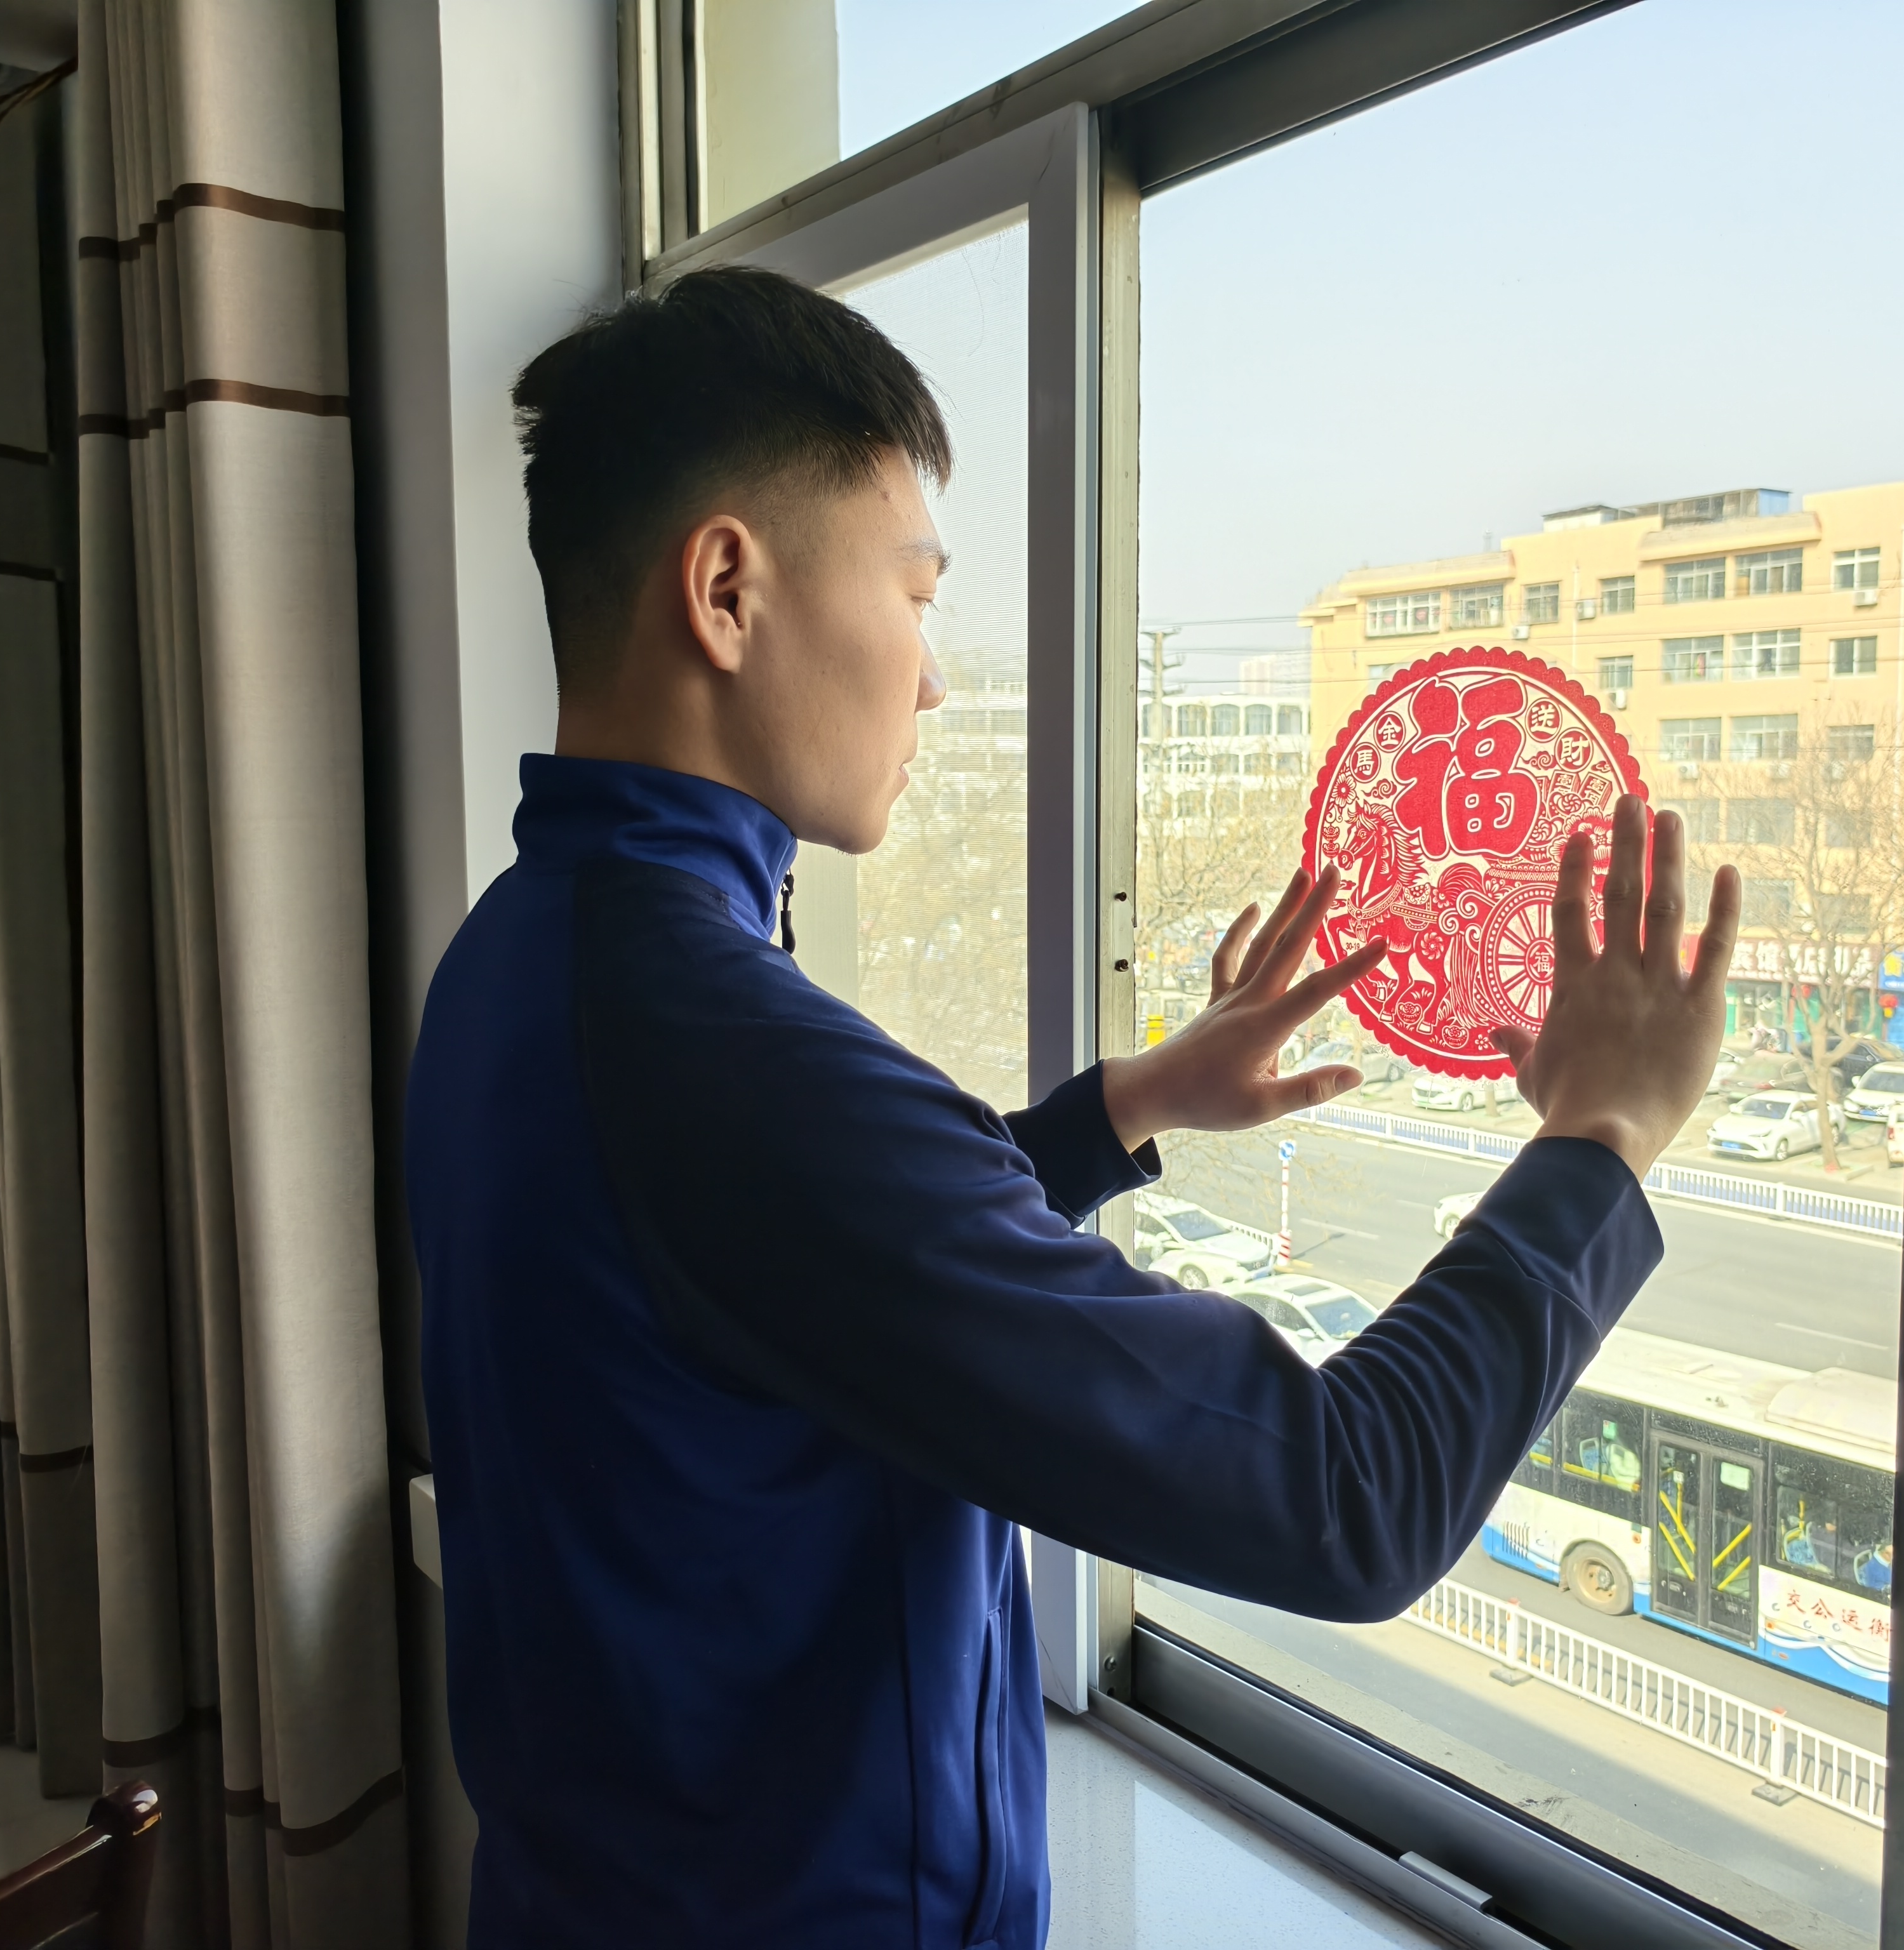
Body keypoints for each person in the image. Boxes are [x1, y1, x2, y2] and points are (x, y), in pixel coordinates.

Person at [404, 265, 1740, 1949]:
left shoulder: (518, 959)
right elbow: (1347, 1496)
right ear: (727, 590)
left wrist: (1128, 1107)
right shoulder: (718, 1049)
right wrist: (1599, 1142)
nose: (934, 681)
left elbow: (785, 1268)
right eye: (915, 592)